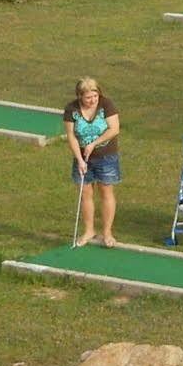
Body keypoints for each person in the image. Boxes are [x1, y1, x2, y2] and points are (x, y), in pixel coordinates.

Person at [64, 77, 121, 246]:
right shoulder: (71, 109)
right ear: (80, 96)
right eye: (88, 97)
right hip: (83, 158)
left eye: (95, 96)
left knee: (106, 192)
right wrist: (80, 159)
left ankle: (107, 233)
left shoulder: (106, 105)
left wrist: (94, 143)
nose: (92, 100)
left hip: (106, 156)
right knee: (86, 194)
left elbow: (114, 129)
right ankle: (89, 231)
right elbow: (71, 136)